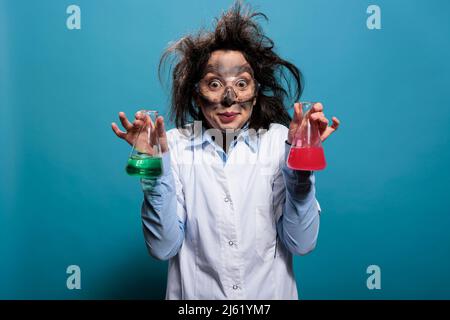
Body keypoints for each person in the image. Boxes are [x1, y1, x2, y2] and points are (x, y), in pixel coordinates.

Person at [111, 1, 340, 300]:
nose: (229, 99)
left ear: (256, 94)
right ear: (196, 93)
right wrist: (152, 169)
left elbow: (301, 243)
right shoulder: (174, 146)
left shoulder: (281, 142)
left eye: (242, 83)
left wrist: (300, 167)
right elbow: (162, 247)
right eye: (215, 83)